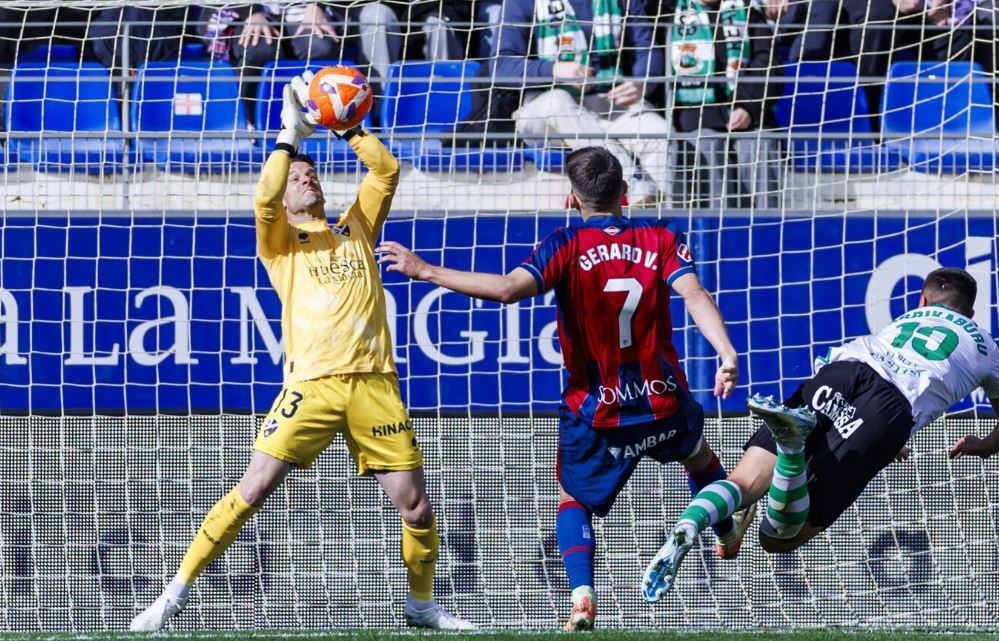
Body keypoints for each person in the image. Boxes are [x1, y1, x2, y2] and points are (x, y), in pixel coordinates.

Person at [129, 73, 473, 632]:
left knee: (416, 506)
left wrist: (346, 126)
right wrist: (290, 135)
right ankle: (171, 598)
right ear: (285, 197)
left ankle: (421, 605)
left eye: (311, 171)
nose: (306, 175)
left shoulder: (354, 229)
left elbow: (384, 170)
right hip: (311, 385)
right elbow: (264, 195)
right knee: (252, 489)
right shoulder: (281, 242)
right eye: (297, 175)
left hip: (375, 385)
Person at [374, 147, 753, 630]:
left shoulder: (565, 244)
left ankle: (581, 595)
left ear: (571, 200)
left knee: (571, 501)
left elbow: (507, 289)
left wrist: (426, 270)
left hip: (597, 409)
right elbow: (695, 294)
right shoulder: (662, 237)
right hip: (661, 398)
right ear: (627, 195)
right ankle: (726, 528)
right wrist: (726, 353)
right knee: (699, 455)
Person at [643, 267, 999, 602]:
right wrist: (984, 445)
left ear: (923, 300)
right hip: (888, 410)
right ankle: (791, 450)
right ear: (970, 313)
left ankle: (690, 523)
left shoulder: (909, 318)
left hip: (843, 370)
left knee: (741, 482)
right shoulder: (986, 347)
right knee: (779, 539)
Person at [492, 0, 671, 204]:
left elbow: (647, 50)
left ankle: (661, 219)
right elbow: (500, 66)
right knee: (557, 101)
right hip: (542, 110)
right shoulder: (522, 3)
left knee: (659, 132)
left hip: (608, 99)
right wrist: (555, 70)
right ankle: (631, 187)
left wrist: (642, 82)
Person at [669, 0, 781, 210]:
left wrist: (747, 107)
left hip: (748, 112)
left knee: (760, 145)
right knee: (708, 144)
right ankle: (717, 235)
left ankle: (768, 232)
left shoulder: (747, 9)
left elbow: (767, 63)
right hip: (696, 114)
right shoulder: (668, 10)